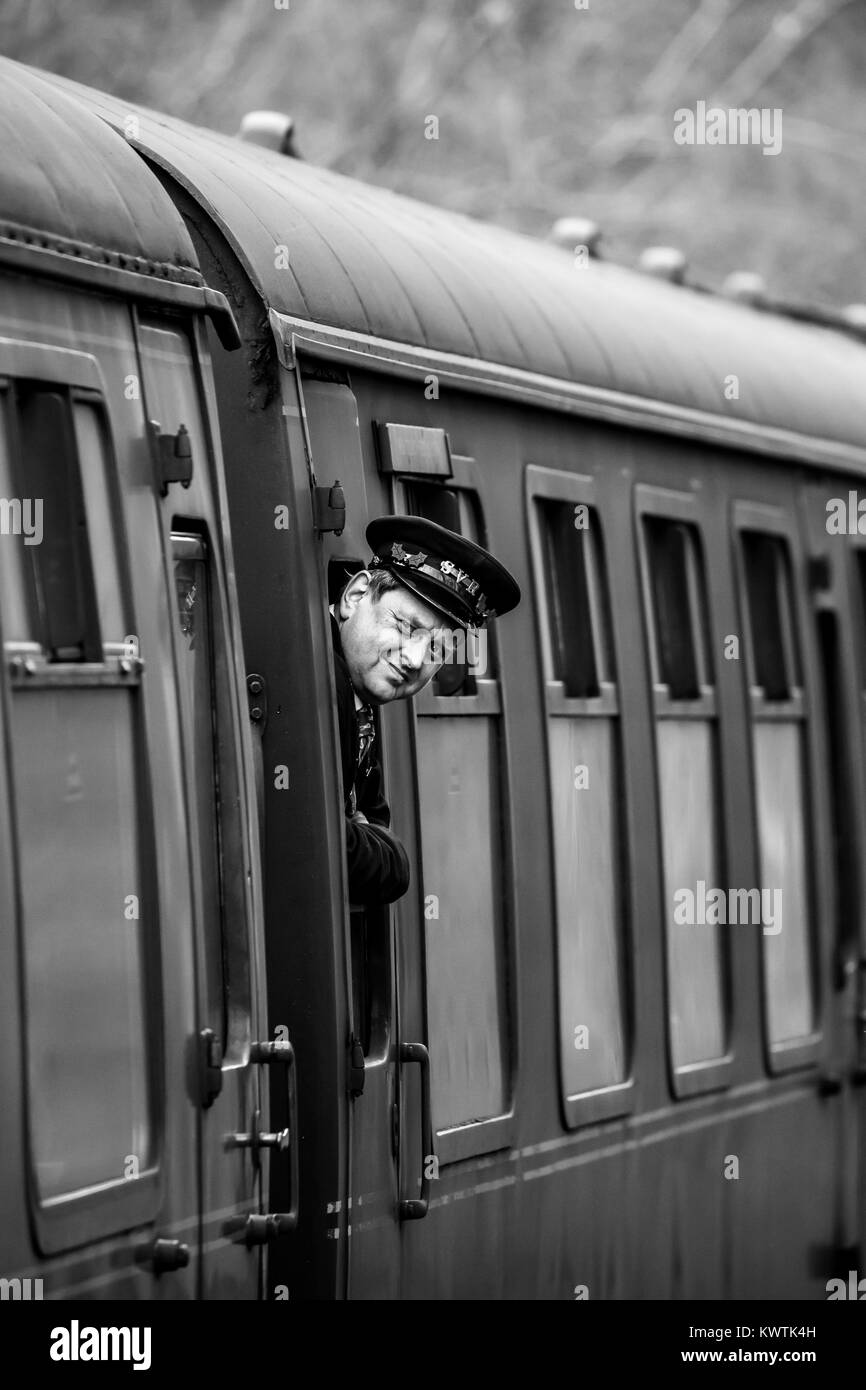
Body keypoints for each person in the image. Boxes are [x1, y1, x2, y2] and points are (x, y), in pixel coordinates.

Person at [329, 514, 520, 907]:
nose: (416, 659)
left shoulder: (357, 691)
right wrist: (376, 847)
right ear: (356, 596)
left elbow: (373, 826)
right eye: (404, 625)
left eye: (437, 649)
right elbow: (330, 846)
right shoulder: (321, 680)